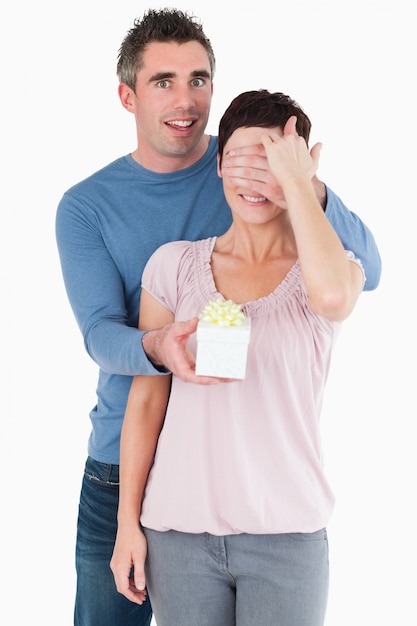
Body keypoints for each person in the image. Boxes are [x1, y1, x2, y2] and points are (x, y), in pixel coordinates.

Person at [55, 8, 381, 626]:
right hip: (125, 462)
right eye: (163, 81)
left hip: (264, 496)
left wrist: (303, 184)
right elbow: (101, 336)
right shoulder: (88, 207)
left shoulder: (248, 168)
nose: (186, 100)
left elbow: (364, 271)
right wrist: (159, 347)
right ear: (127, 96)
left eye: (199, 79)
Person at [110, 88, 367, 625]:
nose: (256, 180)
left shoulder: (330, 269)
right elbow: (146, 405)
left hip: (286, 540)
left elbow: (335, 301)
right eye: (243, 160)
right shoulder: (173, 267)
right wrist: (127, 525)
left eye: (272, 162)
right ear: (220, 163)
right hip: (176, 538)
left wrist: (298, 183)